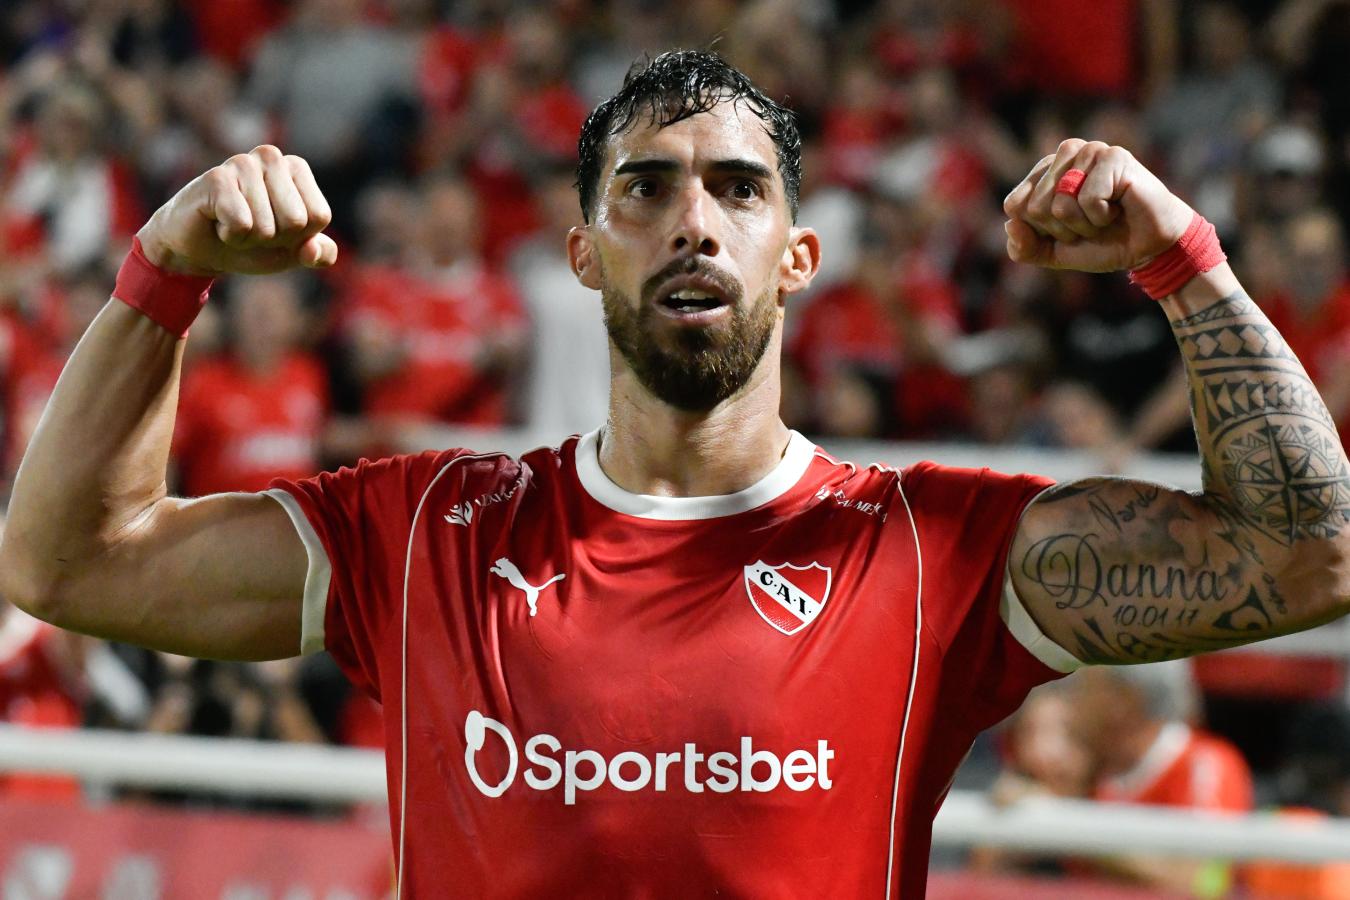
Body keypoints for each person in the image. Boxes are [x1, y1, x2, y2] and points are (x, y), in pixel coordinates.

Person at [3, 50, 1349, 897]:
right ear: (583, 255)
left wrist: (1183, 258)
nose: (691, 221)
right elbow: (69, 564)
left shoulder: (929, 547)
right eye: (643, 189)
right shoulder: (424, 532)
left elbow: (1308, 555)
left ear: (796, 258)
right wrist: (162, 277)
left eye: (736, 189)